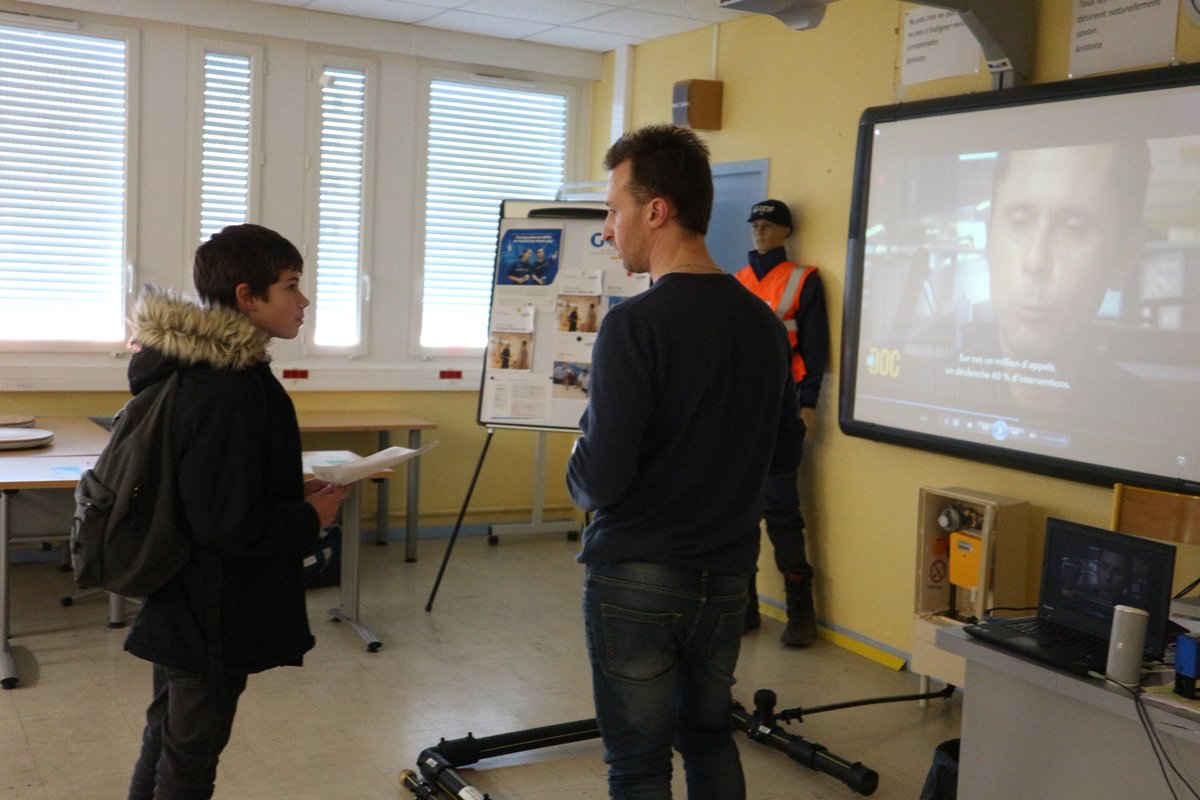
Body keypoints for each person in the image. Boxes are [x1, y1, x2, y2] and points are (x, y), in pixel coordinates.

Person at [567, 125, 804, 800]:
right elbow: (784, 451)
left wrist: (575, 473)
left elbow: (601, 478)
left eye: (613, 209)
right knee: (708, 739)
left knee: (638, 763)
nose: (608, 229)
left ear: (656, 210)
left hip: (637, 577)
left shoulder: (634, 325)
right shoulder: (762, 323)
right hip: (727, 575)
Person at [124, 224, 352, 799]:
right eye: (291, 287)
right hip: (210, 607)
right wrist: (310, 520)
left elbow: (218, 487)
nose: (303, 302)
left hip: (187, 597)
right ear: (247, 296)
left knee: (168, 736)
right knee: (190, 756)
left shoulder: (217, 371)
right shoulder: (225, 387)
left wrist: (289, 490)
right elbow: (225, 524)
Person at [733, 199, 829, 647]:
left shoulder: (802, 280)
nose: (759, 232)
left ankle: (800, 613)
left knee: (782, 511)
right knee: (738, 513)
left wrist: (808, 406)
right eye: (755, 224)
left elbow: (814, 349)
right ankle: (745, 606)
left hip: (781, 409)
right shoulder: (736, 282)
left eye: (769, 225)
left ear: (786, 232)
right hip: (736, 412)